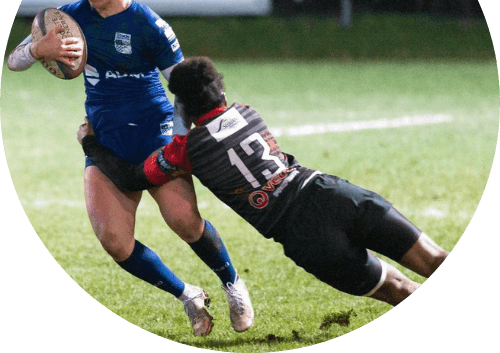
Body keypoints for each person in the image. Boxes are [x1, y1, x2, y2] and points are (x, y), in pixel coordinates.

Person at [8, 0, 253, 336]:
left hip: (156, 135)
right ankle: (188, 295)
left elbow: (184, 91)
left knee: (183, 221)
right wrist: (35, 48)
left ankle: (233, 284)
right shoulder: (71, 20)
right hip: (104, 140)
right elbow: (14, 63)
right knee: (115, 242)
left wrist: (179, 141)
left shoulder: (150, 27)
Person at [78, 56, 449, 307]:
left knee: (401, 290)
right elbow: (208, 109)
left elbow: (130, 176)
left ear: (185, 111)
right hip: (331, 194)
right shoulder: (246, 112)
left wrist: (90, 142)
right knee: (434, 258)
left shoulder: (182, 152)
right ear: (221, 92)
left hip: (303, 235)